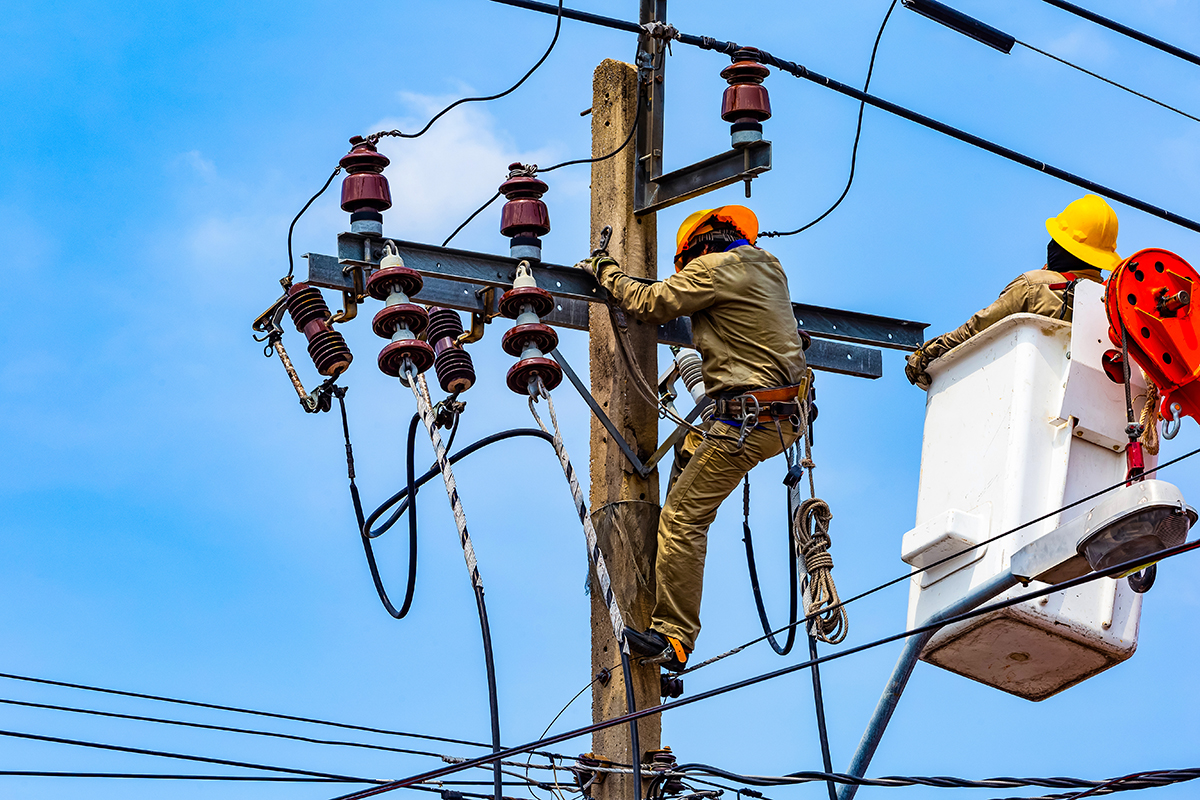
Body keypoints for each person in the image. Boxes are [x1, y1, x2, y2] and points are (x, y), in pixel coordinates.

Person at [580, 205, 806, 670]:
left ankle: (674, 638)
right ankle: (672, 578)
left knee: (683, 519)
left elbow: (650, 303)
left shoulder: (713, 268)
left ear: (697, 247)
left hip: (745, 422)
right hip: (781, 418)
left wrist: (604, 269)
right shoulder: (770, 267)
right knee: (688, 450)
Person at [905, 195, 1123, 389]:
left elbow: (978, 327)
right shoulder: (1112, 305)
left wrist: (929, 353)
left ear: (1062, 246)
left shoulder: (1034, 286)